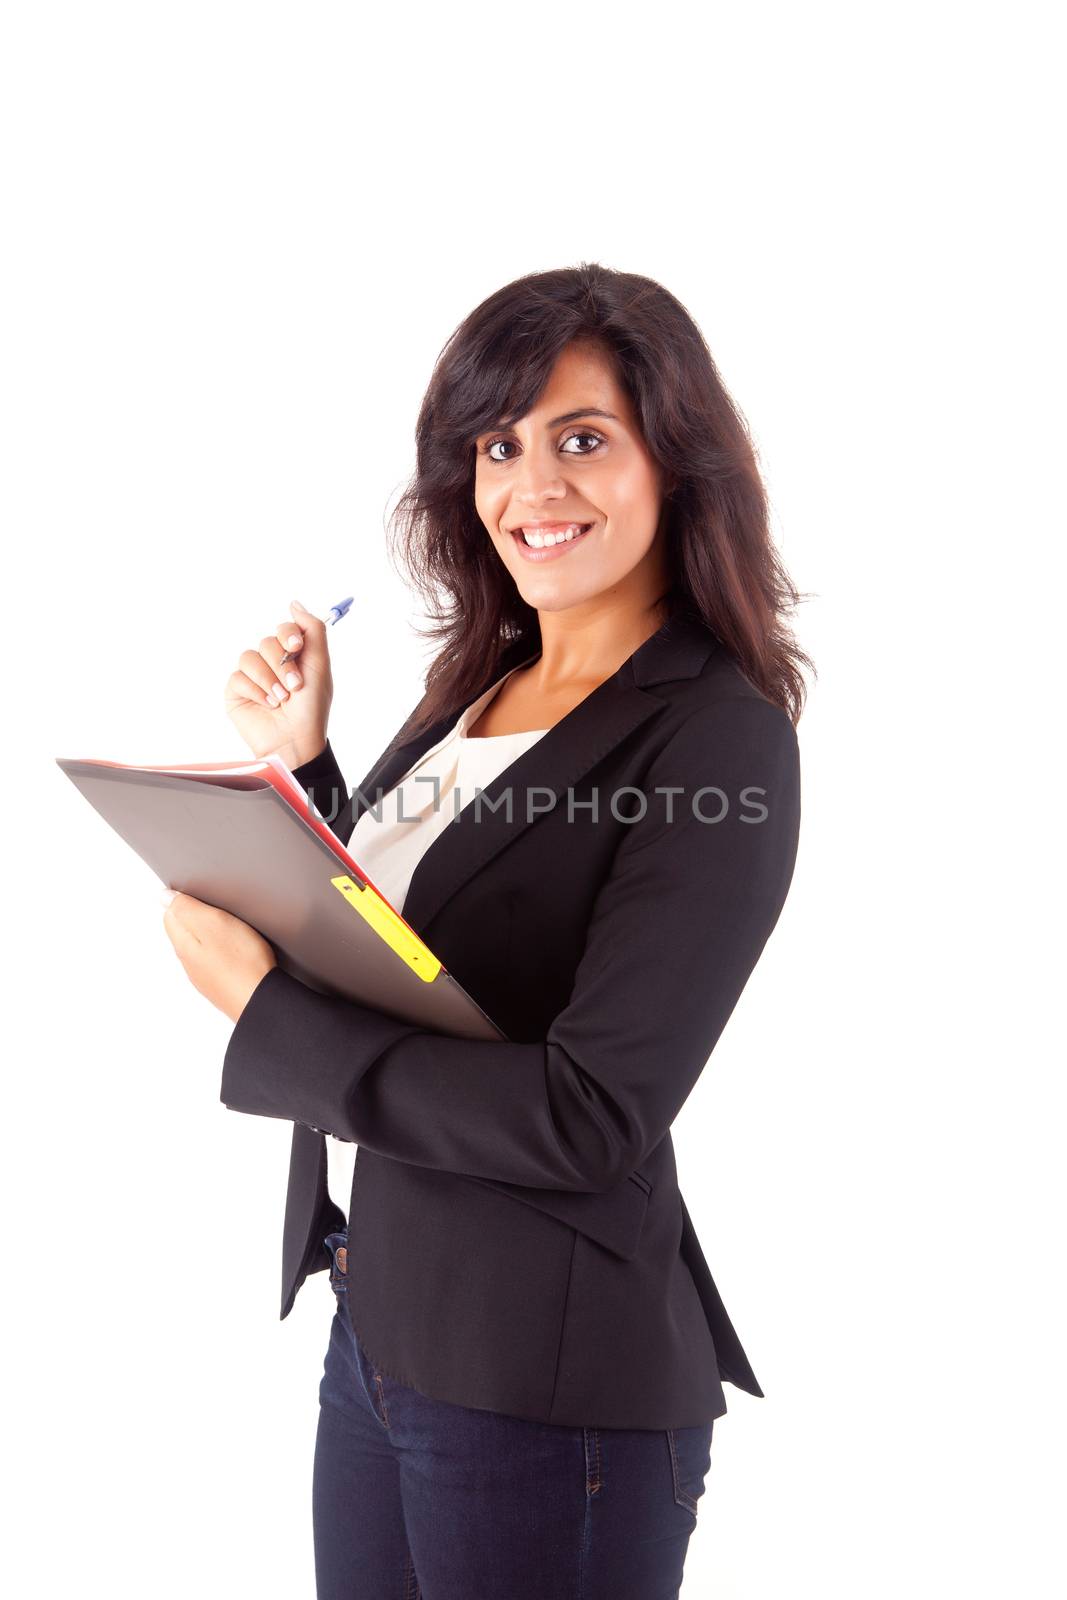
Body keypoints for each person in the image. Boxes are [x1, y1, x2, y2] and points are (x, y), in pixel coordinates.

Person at [162, 262, 812, 1599]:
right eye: (499, 445)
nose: (533, 485)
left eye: (584, 438)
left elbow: (590, 1113)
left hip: (544, 1375)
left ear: (675, 462)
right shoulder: (490, 675)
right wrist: (311, 776)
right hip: (385, 1319)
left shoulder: (719, 735)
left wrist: (264, 1018)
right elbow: (428, 946)